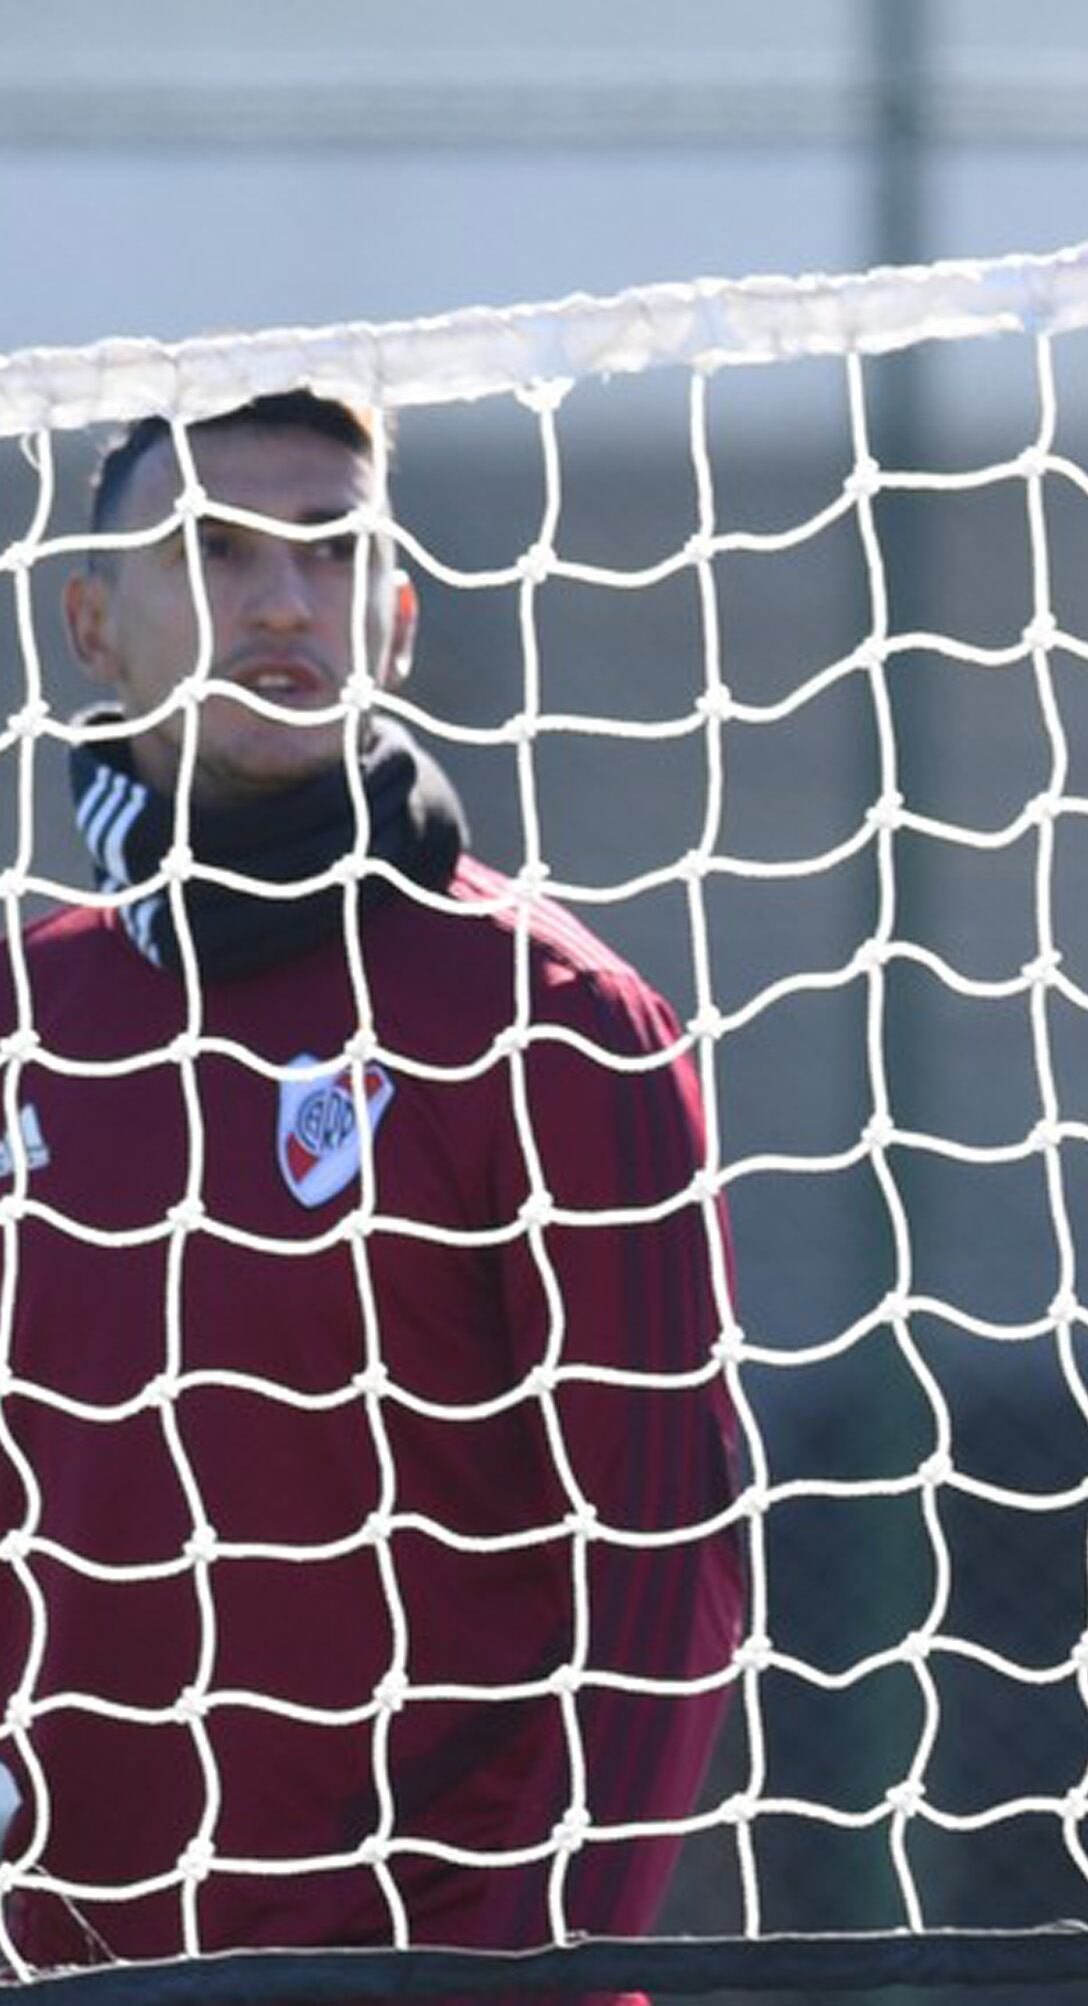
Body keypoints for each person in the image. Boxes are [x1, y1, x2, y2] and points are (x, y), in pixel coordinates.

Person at [0, 390, 744, 1999]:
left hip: (421, 1966)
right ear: (87, 622)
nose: (283, 599)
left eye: (335, 554)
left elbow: (669, 1542)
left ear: (396, 623)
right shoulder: (23, 1019)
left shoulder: (555, 1015)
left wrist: (543, 1963)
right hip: (50, 1959)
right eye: (212, 549)